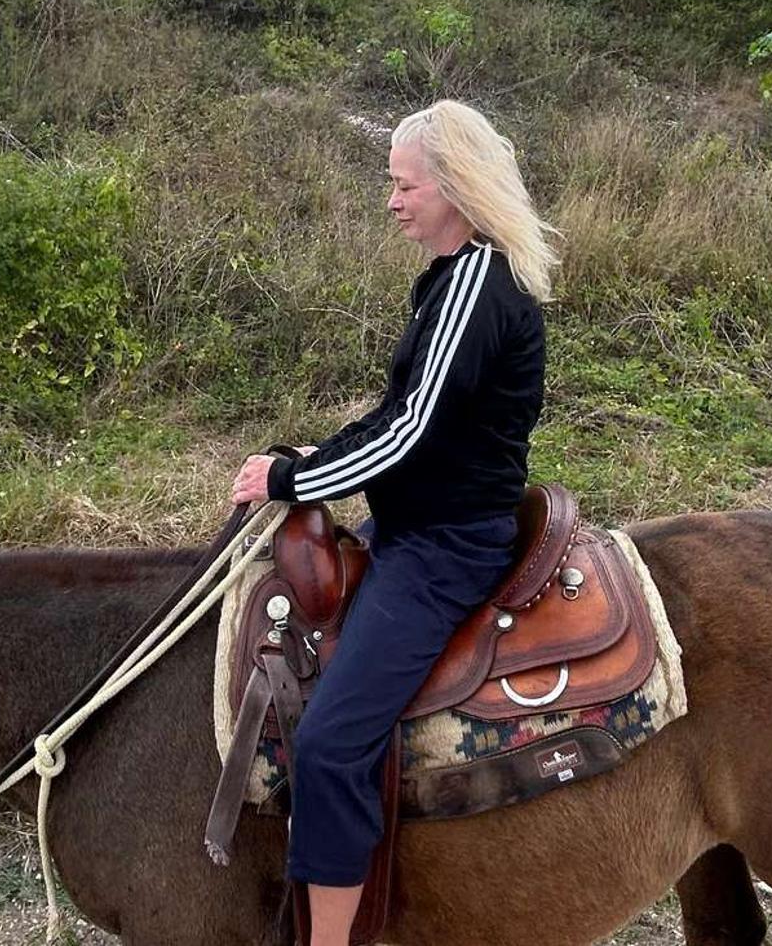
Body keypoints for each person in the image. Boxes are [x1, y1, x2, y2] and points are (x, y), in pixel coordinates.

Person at [229, 99, 557, 944]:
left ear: (455, 186)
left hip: (445, 546)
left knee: (331, 741)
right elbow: (401, 415)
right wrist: (322, 454)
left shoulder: (476, 285)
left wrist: (291, 478)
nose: (393, 200)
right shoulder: (449, 277)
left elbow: (407, 430)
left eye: (405, 185)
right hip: (414, 523)